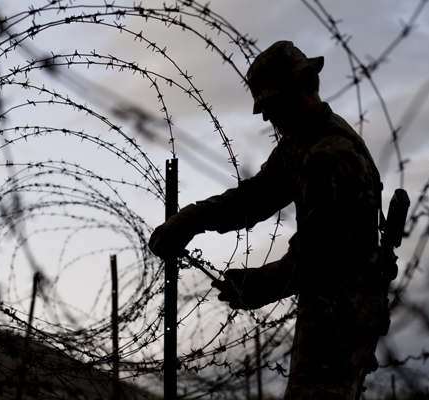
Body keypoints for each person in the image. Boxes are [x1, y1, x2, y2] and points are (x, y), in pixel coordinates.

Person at [149, 41, 388, 399]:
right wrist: (189, 219)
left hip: (342, 314)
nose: (265, 117)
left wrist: (254, 286)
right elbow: (254, 198)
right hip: (328, 307)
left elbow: (315, 257)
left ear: (301, 88)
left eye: (270, 103)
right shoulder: (301, 143)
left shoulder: (328, 153)